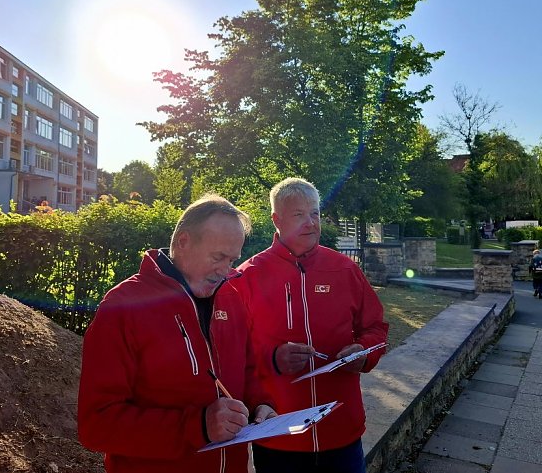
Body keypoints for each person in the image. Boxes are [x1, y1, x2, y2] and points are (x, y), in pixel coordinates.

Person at [78, 195, 276, 473]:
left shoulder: (230, 297)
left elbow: (247, 370)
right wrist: (197, 427)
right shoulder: (123, 306)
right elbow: (97, 425)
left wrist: (260, 406)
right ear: (183, 242)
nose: (225, 271)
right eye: (218, 257)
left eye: (232, 260)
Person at [232, 178, 388, 473]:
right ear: (276, 220)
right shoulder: (247, 277)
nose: (310, 222)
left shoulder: (345, 269)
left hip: (341, 429)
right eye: (298, 215)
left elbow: (376, 327)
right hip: (277, 433)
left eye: (314, 213)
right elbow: (230, 350)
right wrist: (272, 358)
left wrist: (363, 351)